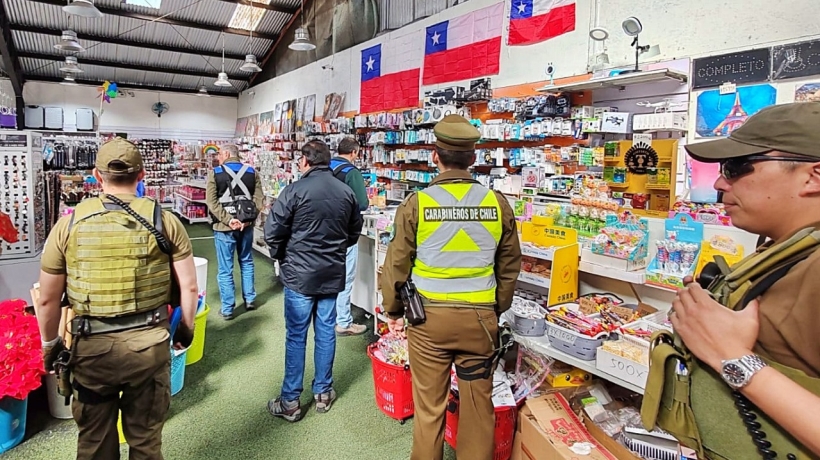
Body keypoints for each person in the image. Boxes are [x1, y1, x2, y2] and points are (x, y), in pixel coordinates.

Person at [659, 103, 820, 457]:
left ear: (813, 176)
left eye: (735, 168)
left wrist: (732, 357)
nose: (718, 183)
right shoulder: (786, 248)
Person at [36, 137, 198, 460]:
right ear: (141, 177)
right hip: (149, 351)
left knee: (95, 445)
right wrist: (186, 331)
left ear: (98, 177)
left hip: (92, 354)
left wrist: (51, 344)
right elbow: (190, 288)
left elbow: (47, 300)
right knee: (146, 443)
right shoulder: (166, 222)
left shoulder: (68, 225)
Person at [380, 115, 522, 460]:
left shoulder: (418, 203)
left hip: (428, 324)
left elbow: (396, 263)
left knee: (429, 410)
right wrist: (496, 307)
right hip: (479, 323)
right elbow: (510, 265)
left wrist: (393, 310)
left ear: (434, 156)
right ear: (473, 158)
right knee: (478, 410)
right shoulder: (497, 203)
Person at [264, 140, 363, 422]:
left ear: (305, 162)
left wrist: (283, 256)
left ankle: (291, 401)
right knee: (326, 332)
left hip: (299, 276)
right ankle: (322, 392)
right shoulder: (346, 192)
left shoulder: (294, 190)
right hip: (331, 273)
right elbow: (353, 233)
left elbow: (273, 230)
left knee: (296, 336)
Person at [206, 144, 264, 320]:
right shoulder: (252, 172)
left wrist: (228, 219)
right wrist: (248, 220)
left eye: (219, 154)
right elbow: (259, 198)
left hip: (224, 228)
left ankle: (228, 308)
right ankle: (250, 299)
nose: (218, 158)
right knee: (246, 261)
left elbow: (211, 201)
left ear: (226, 154)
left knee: (225, 268)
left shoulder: (215, 173)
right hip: (246, 227)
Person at [330, 137, 370, 336]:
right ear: (354, 152)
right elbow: (362, 203)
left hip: (321, 232)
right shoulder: (351, 172)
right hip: (345, 232)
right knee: (345, 278)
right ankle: (344, 322)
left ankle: (326, 317)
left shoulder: (322, 167)